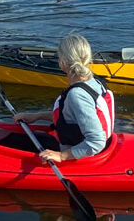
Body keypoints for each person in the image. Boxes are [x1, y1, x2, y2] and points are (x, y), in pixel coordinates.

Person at [13, 33, 115, 164]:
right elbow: (73, 116)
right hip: (90, 150)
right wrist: (37, 116)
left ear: (62, 62)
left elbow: (96, 141)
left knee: (10, 141)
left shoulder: (77, 95)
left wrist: (61, 156)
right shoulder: (95, 82)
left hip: (78, 157)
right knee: (17, 137)